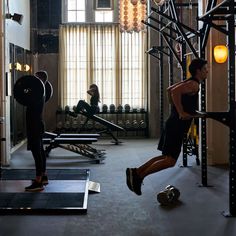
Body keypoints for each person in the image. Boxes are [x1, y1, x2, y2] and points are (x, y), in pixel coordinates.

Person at [126, 58, 208, 196]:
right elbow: (174, 92)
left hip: (173, 123)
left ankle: (136, 171)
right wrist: (181, 112)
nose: (207, 71)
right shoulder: (193, 84)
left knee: (166, 157)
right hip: (176, 125)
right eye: (205, 69)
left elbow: (170, 90)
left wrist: (179, 111)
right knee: (170, 161)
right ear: (198, 71)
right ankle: (139, 177)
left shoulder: (189, 82)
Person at [25, 70, 49, 192]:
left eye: (35, 78)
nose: (33, 81)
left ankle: (38, 182)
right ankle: (43, 176)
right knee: (40, 151)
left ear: (40, 80)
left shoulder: (38, 93)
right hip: (37, 124)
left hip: (35, 125)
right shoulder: (41, 92)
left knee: (37, 153)